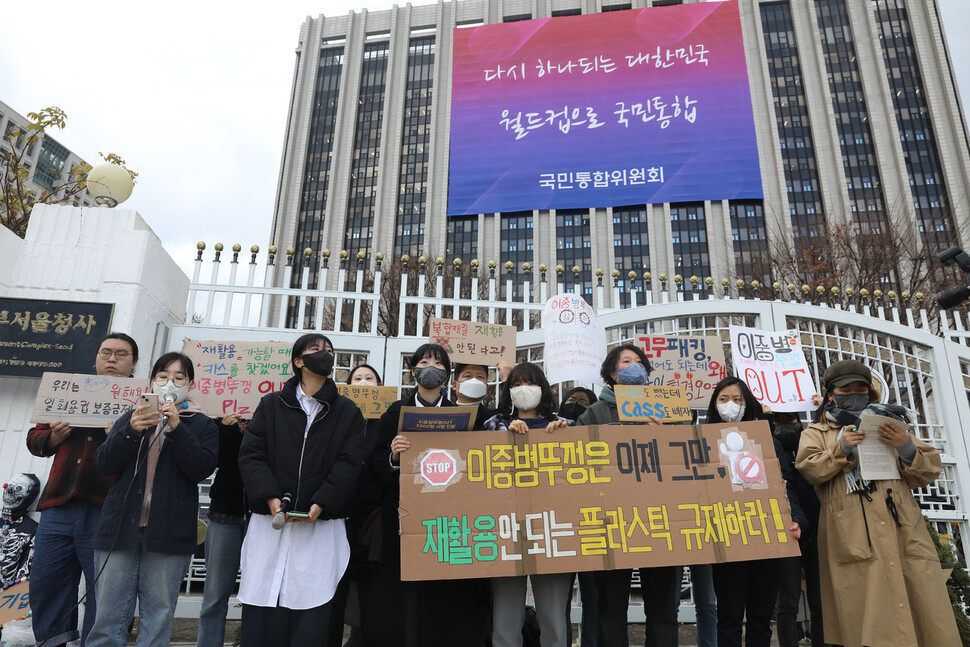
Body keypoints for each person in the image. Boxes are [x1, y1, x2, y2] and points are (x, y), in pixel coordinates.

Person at [795, 359, 961, 647]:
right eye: (846, 388)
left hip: (902, 530)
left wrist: (905, 445)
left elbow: (929, 469)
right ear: (831, 394)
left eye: (861, 388)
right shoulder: (816, 432)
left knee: (922, 610)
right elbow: (810, 470)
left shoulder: (892, 423)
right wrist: (842, 447)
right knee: (868, 619)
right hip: (853, 535)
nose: (854, 393)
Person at [236, 333, 365, 647]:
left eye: (330, 350)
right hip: (271, 524)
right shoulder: (271, 405)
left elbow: (349, 465)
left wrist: (320, 504)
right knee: (265, 609)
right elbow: (252, 454)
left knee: (313, 613)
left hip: (320, 528)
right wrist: (271, 499)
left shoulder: (347, 411)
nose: (325, 354)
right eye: (316, 349)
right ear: (298, 361)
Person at [360, 343, 490, 647]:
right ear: (413, 370)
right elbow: (374, 461)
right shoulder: (394, 412)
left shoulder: (460, 415)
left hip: (446, 518)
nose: (431, 367)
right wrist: (392, 456)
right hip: (401, 517)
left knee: (441, 594)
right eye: (424, 361)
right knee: (400, 593)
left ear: (448, 374)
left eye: (438, 362)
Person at [86, 352, 218, 647]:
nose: (169, 382)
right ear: (152, 380)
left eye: (179, 377)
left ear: (190, 384)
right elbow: (104, 463)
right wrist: (130, 431)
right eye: (162, 376)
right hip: (121, 528)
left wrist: (177, 429)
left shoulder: (202, 425)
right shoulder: (132, 417)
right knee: (109, 616)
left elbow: (201, 469)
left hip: (169, 530)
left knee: (158, 616)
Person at [27, 332, 138, 647]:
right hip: (59, 503)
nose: (111, 359)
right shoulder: (69, 392)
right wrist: (55, 437)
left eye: (120, 354)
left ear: (133, 363)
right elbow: (35, 439)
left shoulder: (138, 402)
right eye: (105, 353)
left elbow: (148, 452)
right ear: (96, 358)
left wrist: (122, 434)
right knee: (46, 583)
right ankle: (52, 641)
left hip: (108, 506)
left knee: (103, 589)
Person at [575, 344, 679, 647]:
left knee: (663, 608)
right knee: (610, 606)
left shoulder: (665, 406)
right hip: (611, 518)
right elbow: (578, 460)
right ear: (613, 373)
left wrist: (664, 435)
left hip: (660, 517)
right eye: (626, 361)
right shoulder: (595, 412)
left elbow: (688, 454)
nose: (635, 366)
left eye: (639, 362)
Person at [480, 362, 571, 647]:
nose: (524, 389)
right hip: (506, 528)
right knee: (505, 620)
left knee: (554, 620)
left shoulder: (563, 425)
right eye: (517, 384)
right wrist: (505, 435)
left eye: (531, 383)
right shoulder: (494, 424)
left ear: (543, 388)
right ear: (508, 390)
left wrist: (567, 435)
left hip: (553, 528)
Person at [707, 376, 802, 647]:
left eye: (738, 400)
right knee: (729, 617)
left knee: (761, 617)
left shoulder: (766, 439)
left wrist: (795, 519)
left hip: (767, 535)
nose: (731, 405)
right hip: (727, 537)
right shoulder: (701, 440)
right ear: (714, 404)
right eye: (724, 399)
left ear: (748, 404)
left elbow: (787, 481)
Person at [329, 362, 385, 647]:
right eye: (358, 379)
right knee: (334, 588)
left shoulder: (386, 421)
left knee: (368, 590)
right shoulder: (336, 420)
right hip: (337, 515)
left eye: (370, 378)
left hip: (372, 519)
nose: (364, 383)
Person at [771, 411, 825, 647]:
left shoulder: (812, 442)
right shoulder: (771, 449)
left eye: (790, 420)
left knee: (821, 601)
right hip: (788, 530)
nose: (785, 426)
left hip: (817, 529)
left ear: (801, 420)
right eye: (777, 421)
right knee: (788, 602)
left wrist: (819, 405)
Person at [196, 412, 248, 647]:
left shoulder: (275, 409)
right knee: (215, 595)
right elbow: (214, 460)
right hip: (225, 511)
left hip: (265, 515)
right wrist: (227, 430)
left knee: (260, 596)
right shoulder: (220, 411)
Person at [558, 386, 599, 647]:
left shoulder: (597, 434)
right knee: (558, 599)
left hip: (593, 526)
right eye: (571, 401)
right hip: (559, 526)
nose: (575, 405)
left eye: (582, 402)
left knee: (594, 598)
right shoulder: (549, 432)